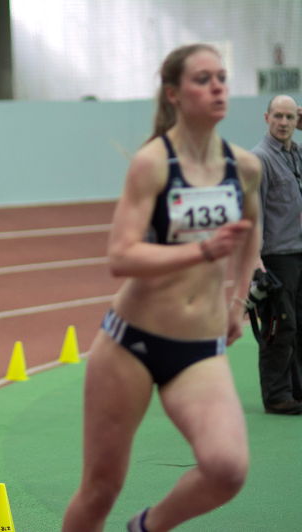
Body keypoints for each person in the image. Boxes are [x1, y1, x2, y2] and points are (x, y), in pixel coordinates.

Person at [61, 44, 262, 532]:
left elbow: (253, 229)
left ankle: (147, 528)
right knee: (100, 488)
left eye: (222, 77)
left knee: (227, 468)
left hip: (200, 349)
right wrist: (204, 251)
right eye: (202, 79)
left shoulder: (244, 168)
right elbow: (121, 256)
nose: (217, 87)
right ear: (173, 93)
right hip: (132, 344)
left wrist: (237, 298)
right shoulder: (153, 164)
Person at [252, 94, 302, 415]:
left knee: (300, 325)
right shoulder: (258, 160)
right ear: (266, 117)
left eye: (290, 117)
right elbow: (251, 215)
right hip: (276, 257)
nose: (283, 123)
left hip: (299, 253)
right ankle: (277, 395)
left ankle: (296, 389)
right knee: (279, 326)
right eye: (278, 117)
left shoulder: (296, 154)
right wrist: (255, 263)